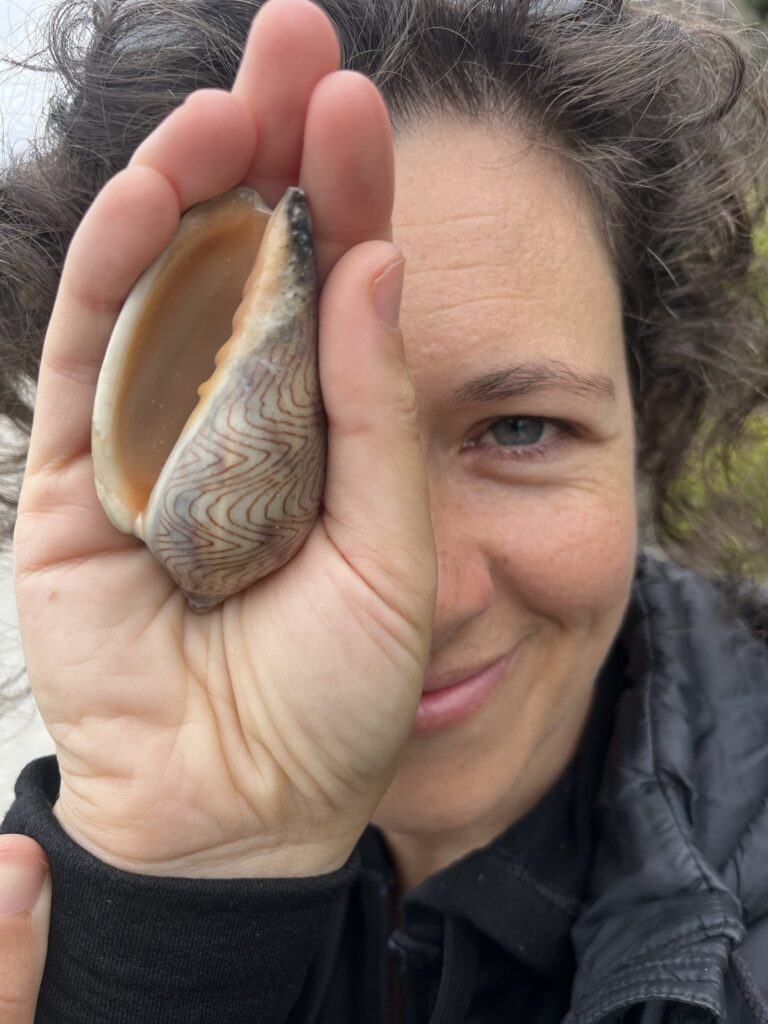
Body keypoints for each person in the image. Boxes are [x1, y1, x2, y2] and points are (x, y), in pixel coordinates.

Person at [1, 0, 768, 1020]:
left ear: (648, 414)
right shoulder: (73, 917)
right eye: (313, 444)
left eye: (520, 430)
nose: (425, 603)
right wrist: (169, 923)